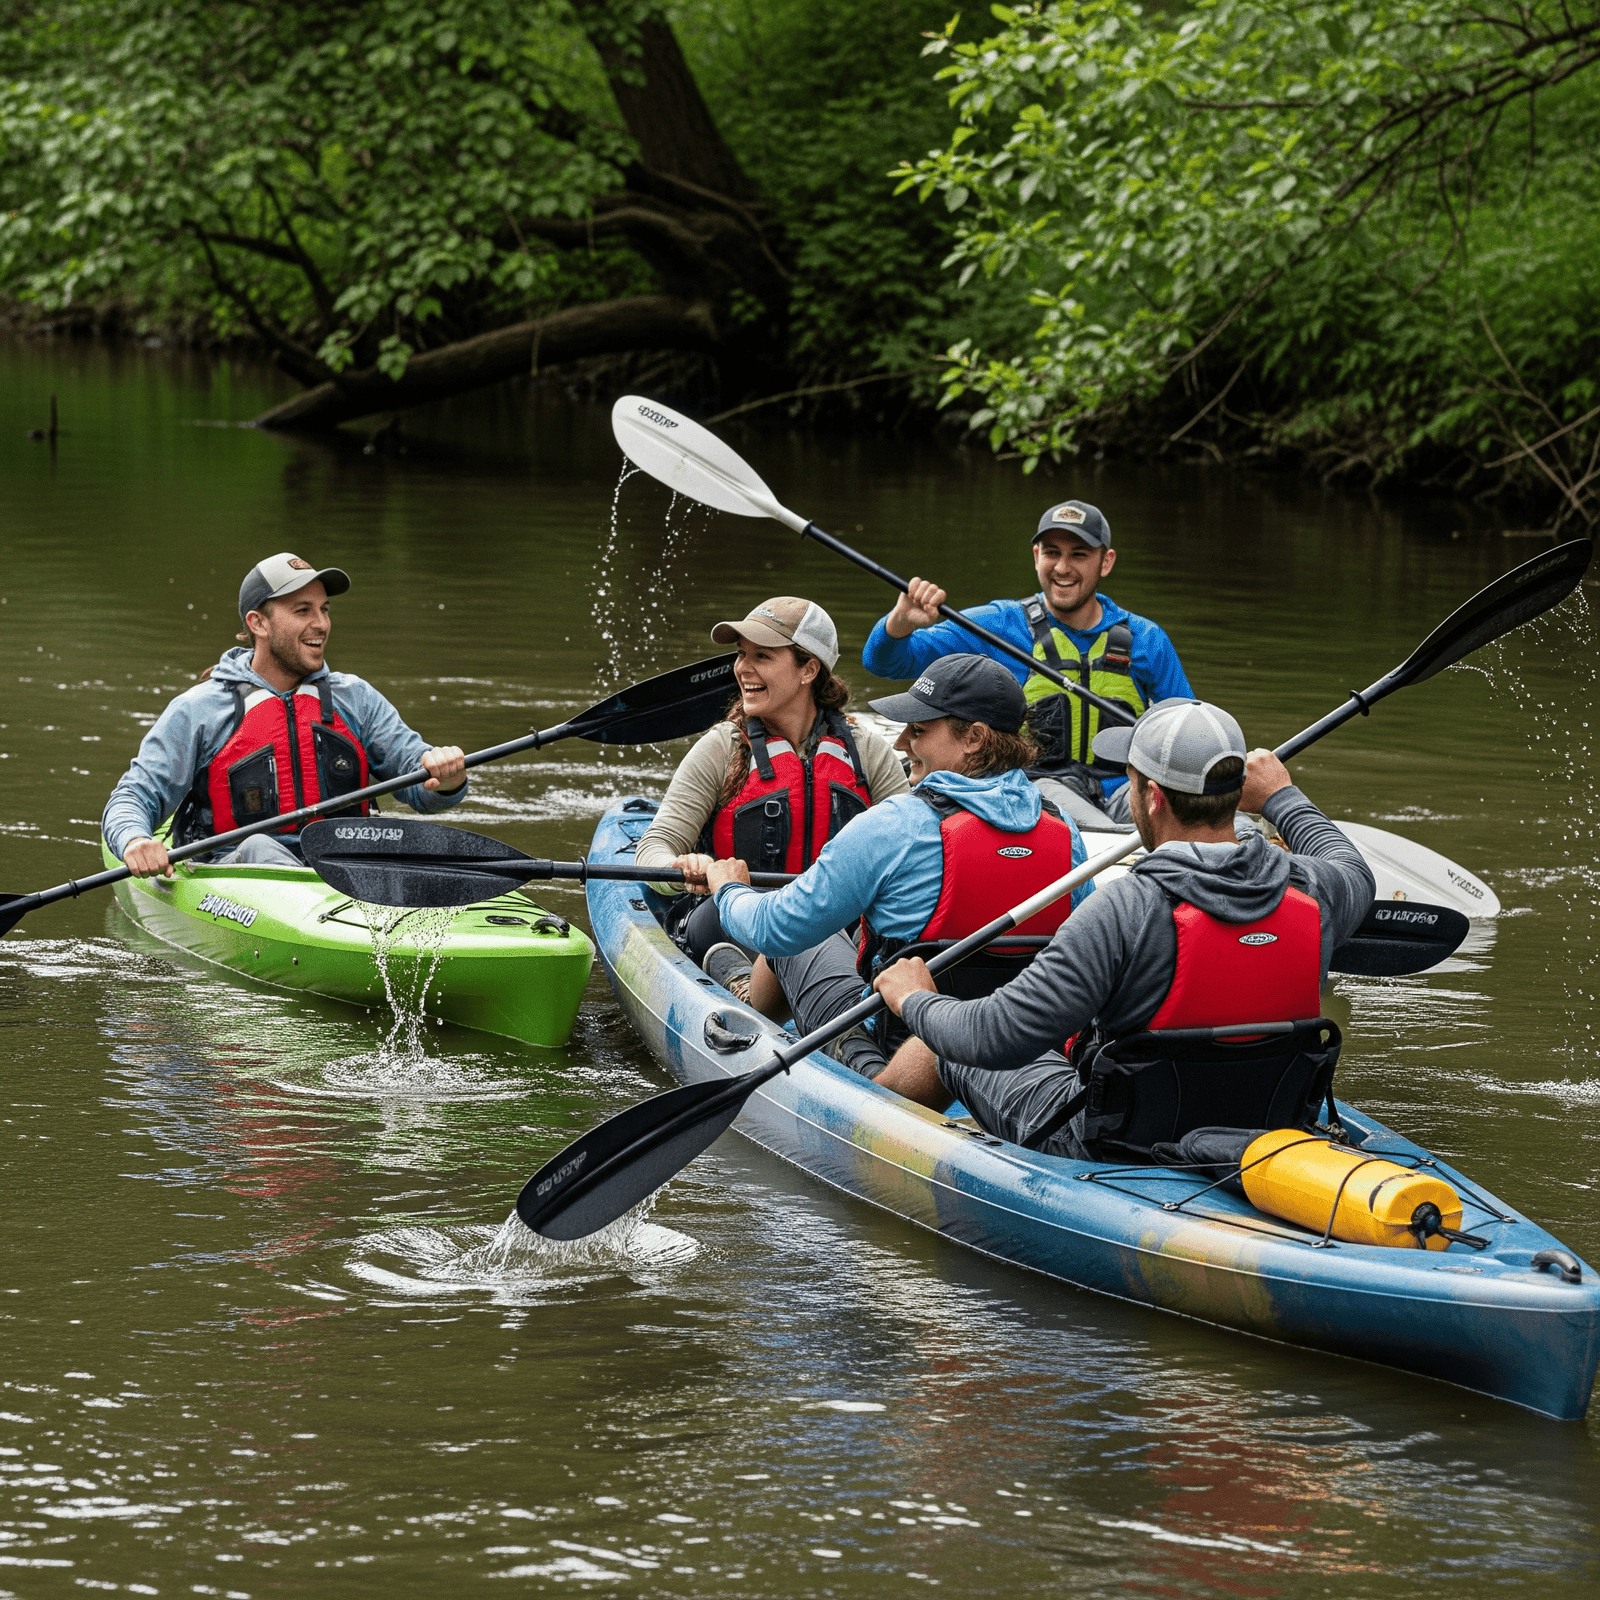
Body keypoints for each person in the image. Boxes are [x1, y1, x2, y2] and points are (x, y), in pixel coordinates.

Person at [870, 698, 1376, 1155]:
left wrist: (914, 998)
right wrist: (1281, 797)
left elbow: (991, 1037)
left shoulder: (1123, 909)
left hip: (1119, 1145)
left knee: (943, 1034)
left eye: (1130, 781)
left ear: (1152, 797)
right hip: (1270, 1130)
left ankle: (864, 1131)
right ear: (1236, 793)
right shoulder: (1314, 889)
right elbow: (1353, 869)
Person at [701, 655, 1093, 1088]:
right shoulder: (1063, 829)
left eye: (920, 729)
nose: (902, 742)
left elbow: (775, 929)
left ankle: (751, 1013)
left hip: (899, 1055)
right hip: (1014, 1051)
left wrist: (729, 890)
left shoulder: (896, 824)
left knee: (803, 935)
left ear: (975, 738)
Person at [104, 552, 469, 876]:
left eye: (324, 609)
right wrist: (135, 840)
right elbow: (133, 796)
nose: (321, 624)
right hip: (240, 876)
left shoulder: (355, 697)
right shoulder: (200, 709)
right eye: (302, 611)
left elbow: (421, 783)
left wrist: (446, 778)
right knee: (260, 846)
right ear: (258, 623)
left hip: (344, 865)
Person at [634, 597, 909, 977]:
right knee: (712, 916)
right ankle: (742, 986)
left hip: (837, 932)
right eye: (741, 654)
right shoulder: (723, 748)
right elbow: (653, 848)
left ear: (809, 669)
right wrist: (678, 866)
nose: (742, 668)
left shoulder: (866, 752)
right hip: (734, 928)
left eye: (762, 656)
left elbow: (915, 850)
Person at [861, 500, 1193, 812]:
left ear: (1105, 562)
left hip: (1126, 794)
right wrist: (898, 623)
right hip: (1032, 791)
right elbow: (886, 662)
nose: (1063, 567)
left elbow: (1189, 731)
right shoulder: (996, 625)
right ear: (1036, 556)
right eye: (1052, 553)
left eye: (1079, 554)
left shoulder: (1147, 639)